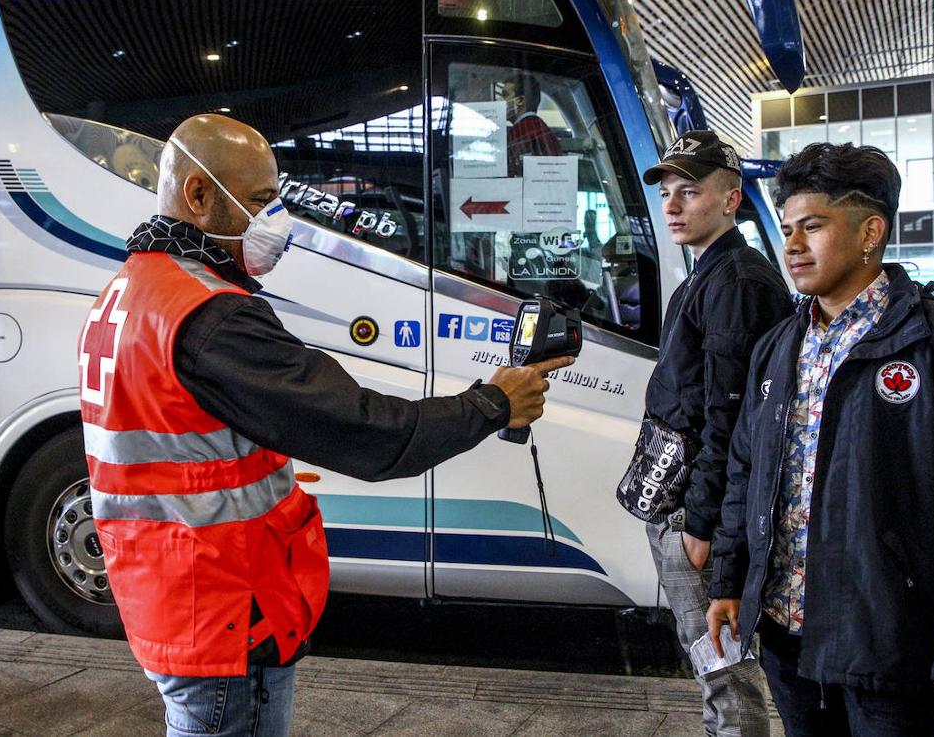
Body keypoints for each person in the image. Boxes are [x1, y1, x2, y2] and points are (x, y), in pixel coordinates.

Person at [77, 114, 573, 737]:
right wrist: (493, 403)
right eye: (259, 202)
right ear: (199, 196)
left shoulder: (129, 291)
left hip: (173, 594)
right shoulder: (212, 319)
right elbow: (371, 434)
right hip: (227, 605)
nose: (274, 222)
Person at [707, 142, 934, 735]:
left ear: (870, 231)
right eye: (787, 229)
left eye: (813, 226)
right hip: (786, 634)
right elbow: (745, 471)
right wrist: (730, 580)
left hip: (890, 643)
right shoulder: (777, 347)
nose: (792, 246)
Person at [639, 130, 793, 736]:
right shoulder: (712, 275)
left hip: (695, 516)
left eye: (691, 192)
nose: (673, 206)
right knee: (714, 659)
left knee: (724, 666)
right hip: (684, 505)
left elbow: (731, 421)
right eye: (669, 192)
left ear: (731, 201)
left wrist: (702, 525)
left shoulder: (736, 284)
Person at [500, 72, 563, 176]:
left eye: (505, 95)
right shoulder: (539, 128)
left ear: (520, 100)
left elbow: (515, 173)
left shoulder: (522, 132)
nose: (501, 102)